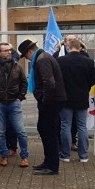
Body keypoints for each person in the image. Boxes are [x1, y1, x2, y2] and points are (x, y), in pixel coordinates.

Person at [18, 38, 66, 175]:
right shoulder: (43, 57)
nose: (27, 59)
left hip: (51, 102)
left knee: (48, 132)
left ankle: (52, 166)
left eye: (26, 56)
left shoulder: (42, 59)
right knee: (45, 130)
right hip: (53, 101)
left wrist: (45, 100)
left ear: (30, 51)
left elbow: (49, 82)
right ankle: (48, 161)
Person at [0, 42, 30, 167]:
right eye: (6, 50)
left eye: (10, 50)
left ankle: (24, 156)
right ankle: (4, 155)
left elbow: (24, 82)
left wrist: (20, 97)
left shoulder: (16, 66)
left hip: (14, 102)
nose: (9, 52)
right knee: (0, 131)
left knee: (20, 131)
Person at [57, 38, 95, 163]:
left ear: (68, 48)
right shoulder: (89, 62)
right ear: (80, 48)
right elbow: (92, 80)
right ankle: (83, 155)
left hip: (66, 98)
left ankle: (65, 155)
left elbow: (57, 80)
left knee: (65, 126)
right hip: (82, 97)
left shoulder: (60, 61)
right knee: (82, 126)